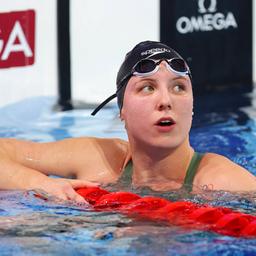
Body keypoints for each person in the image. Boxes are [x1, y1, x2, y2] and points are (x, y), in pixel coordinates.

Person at [0, 41, 255, 203]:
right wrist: (43, 184)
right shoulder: (100, 160)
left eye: (179, 87)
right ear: (122, 110)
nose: (166, 101)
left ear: (192, 107)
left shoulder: (222, 181)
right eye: (147, 88)